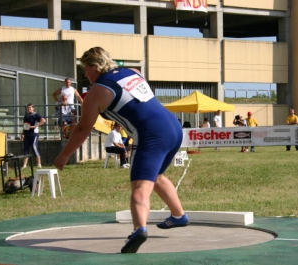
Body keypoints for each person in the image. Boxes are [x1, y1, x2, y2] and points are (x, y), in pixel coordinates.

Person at [53, 46, 189, 254]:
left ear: (94, 67)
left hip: (150, 135)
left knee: (139, 187)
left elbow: (82, 129)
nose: (85, 75)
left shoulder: (96, 92)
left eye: (85, 70)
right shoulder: (134, 71)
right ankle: (179, 216)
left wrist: (64, 155)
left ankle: (139, 230)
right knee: (156, 175)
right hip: (173, 127)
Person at [21, 103, 46, 169]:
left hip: (34, 134)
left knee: (34, 147)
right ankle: (24, 165)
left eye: (30, 107)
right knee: (26, 149)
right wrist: (22, 134)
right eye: (28, 108)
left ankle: (39, 164)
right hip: (27, 134)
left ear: (33, 108)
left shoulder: (36, 115)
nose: (29, 109)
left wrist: (35, 126)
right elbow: (25, 126)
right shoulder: (26, 116)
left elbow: (43, 120)